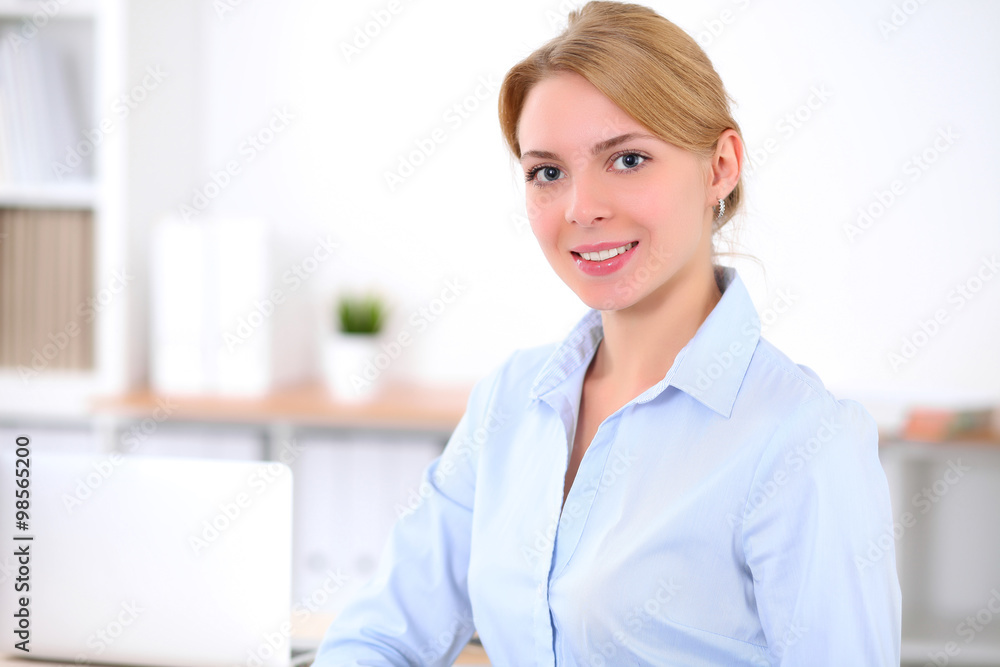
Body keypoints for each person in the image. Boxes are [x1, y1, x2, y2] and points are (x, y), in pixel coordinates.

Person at [314, 2, 901, 665]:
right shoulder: (510, 401)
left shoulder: (802, 440)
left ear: (720, 166)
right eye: (547, 172)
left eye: (627, 159)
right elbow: (382, 634)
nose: (581, 208)